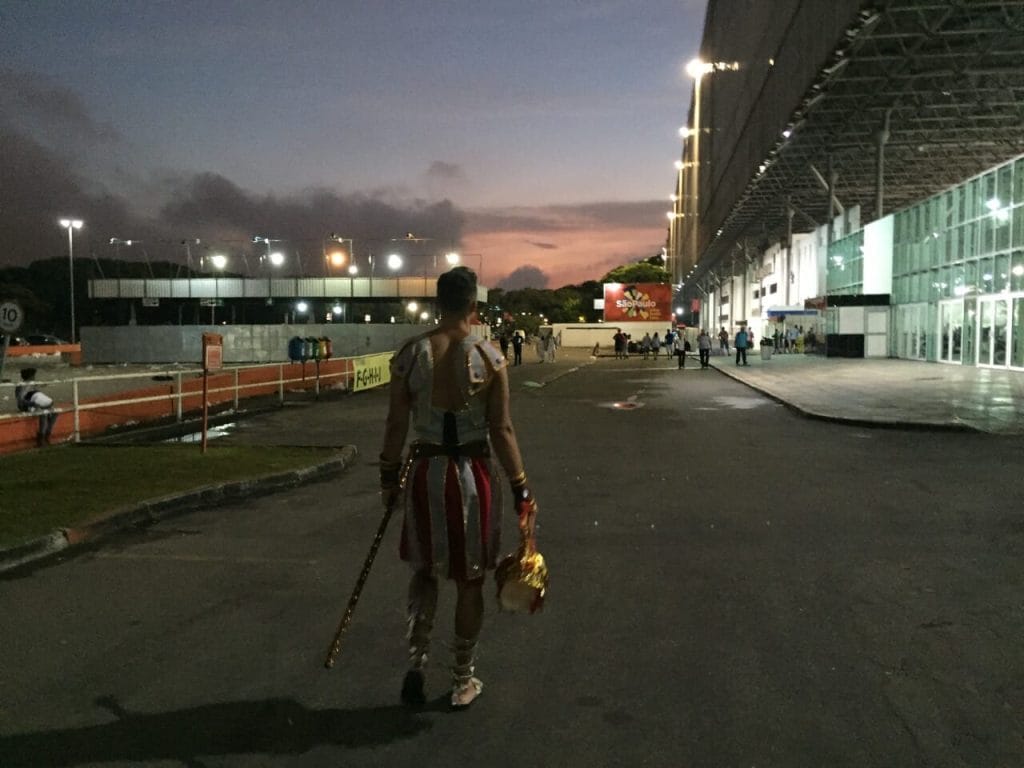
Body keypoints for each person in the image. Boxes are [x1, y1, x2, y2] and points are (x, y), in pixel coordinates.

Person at [380, 266, 538, 711]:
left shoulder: (410, 354)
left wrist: (388, 479)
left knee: (424, 571)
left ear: (437, 304)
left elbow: (395, 425)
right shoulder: (490, 357)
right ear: (474, 306)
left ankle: (416, 663)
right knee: (469, 580)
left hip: (425, 473)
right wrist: (521, 487)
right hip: (472, 477)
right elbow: (501, 429)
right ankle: (462, 680)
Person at [15, 367, 58, 446]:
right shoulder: (21, 386)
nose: (34, 377)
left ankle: (47, 433)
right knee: (43, 413)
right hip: (25, 405)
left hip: (33, 402)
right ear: (30, 376)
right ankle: (41, 437)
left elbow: (40, 387)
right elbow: (20, 401)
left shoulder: (32, 383)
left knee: (55, 412)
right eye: (33, 375)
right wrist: (32, 404)